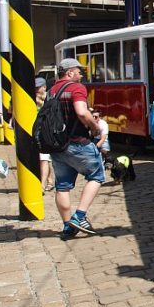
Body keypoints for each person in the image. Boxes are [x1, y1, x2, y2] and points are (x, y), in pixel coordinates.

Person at [50, 58, 105, 239]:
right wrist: (95, 128)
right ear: (69, 72)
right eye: (79, 71)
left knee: (62, 187)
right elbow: (81, 111)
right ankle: (79, 216)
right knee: (96, 176)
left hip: (58, 145)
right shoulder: (76, 88)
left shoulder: (52, 91)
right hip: (78, 142)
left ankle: (67, 226)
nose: (81, 75)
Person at [35, 77, 54, 192]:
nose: (36, 90)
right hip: (36, 132)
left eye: (38, 87)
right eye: (35, 88)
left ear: (44, 87)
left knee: (43, 159)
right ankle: (50, 180)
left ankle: (41, 185)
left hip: (45, 133)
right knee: (44, 160)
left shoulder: (49, 99)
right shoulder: (30, 99)